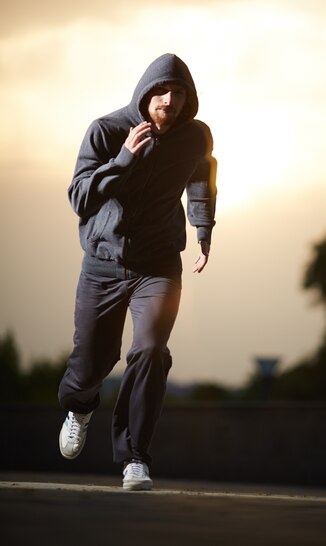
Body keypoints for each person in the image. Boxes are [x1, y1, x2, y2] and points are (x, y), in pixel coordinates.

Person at [58, 53, 217, 491]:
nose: (170, 100)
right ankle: (80, 407)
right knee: (91, 361)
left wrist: (203, 227)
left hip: (159, 265)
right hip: (103, 264)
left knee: (150, 351)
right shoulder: (106, 131)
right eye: (162, 92)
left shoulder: (194, 136)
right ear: (145, 94)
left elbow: (202, 176)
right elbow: (79, 197)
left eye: (180, 93)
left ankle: (134, 459)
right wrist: (124, 160)